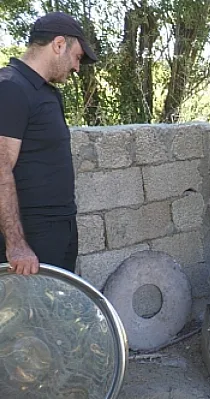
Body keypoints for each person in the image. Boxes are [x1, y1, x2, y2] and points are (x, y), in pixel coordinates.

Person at [0, 12, 98, 275]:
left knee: (57, 313)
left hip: (58, 229)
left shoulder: (43, 91)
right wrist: (17, 244)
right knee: (31, 316)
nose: (77, 67)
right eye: (77, 57)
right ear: (58, 45)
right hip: (31, 238)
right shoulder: (10, 87)